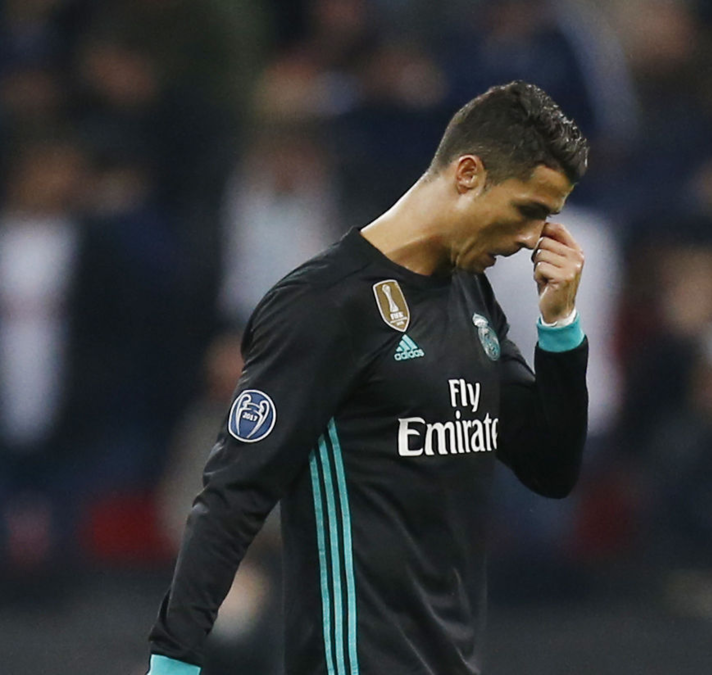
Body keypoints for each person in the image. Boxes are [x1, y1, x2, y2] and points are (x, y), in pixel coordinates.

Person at [147, 81, 590, 675]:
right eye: (527, 210)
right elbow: (233, 493)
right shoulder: (326, 304)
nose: (531, 239)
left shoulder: (468, 294)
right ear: (467, 174)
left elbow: (550, 466)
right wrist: (174, 663)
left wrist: (560, 326)